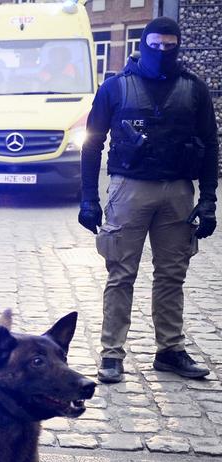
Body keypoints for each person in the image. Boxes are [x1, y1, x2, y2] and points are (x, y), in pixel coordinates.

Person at [79, 17, 217, 383]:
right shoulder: (115, 88)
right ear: (143, 44)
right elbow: (92, 144)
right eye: (155, 45)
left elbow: (210, 146)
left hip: (178, 191)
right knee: (120, 274)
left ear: (178, 46)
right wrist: (88, 199)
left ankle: (170, 349)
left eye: (170, 45)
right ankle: (111, 354)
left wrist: (208, 201)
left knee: (173, 274)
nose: (162, 51)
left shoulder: (194, 90)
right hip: (129, 189)